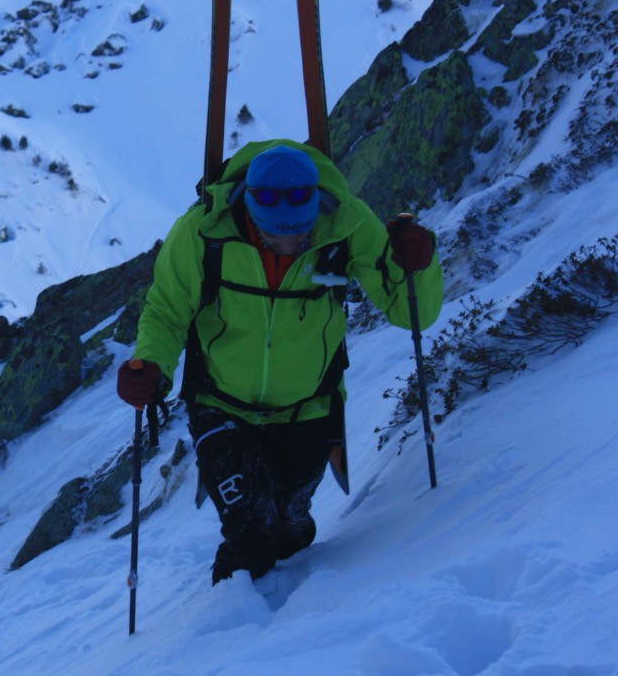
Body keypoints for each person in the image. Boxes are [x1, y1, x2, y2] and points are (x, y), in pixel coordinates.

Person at [116, 139, 442, 584]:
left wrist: (418, 265)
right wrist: (151, 366)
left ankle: (281, 595)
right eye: (275, 236)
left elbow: (409, 310)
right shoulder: (202, 233)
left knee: (289, 531)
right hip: (221, 406)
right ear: (251, 212)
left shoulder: (345, 224)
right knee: (252, 537)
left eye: (301, 235)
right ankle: (222, 636)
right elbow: (167, 312)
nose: (289, 247)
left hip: (309, 407)